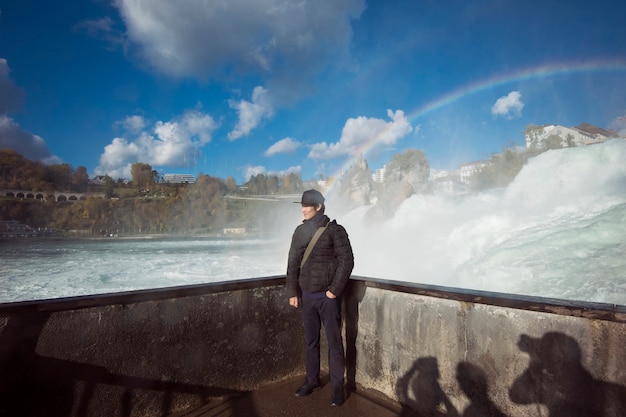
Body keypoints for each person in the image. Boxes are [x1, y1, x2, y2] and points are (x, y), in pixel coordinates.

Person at [286, 189, 354, 407]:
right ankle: (312, 380)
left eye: (307, 205)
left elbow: (347, 261)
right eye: (302, 205)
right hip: (307, 296)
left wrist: (333, 291)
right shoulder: (299, 231)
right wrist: (292, 292)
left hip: (327, 298)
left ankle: (337, 387)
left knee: (335, 344)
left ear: (319, 207)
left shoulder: (335, 230)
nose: (303, 209)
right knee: (311, 342)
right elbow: (292, 263)